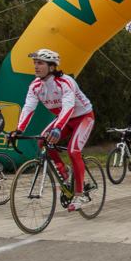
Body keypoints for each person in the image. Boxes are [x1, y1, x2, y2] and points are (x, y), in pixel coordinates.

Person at [12, 49, 96, 209]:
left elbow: (69, 107)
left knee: (73, 151)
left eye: (40, 63)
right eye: (35, 63)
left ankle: (80, 195)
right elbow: (28, 107)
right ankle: (64, 172)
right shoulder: (35, 86)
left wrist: (57, 128)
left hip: (83, 117)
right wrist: (19, 129)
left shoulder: (66, 82)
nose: (36, 66)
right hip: (64, 119)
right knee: (42, 141)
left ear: (51, 67)